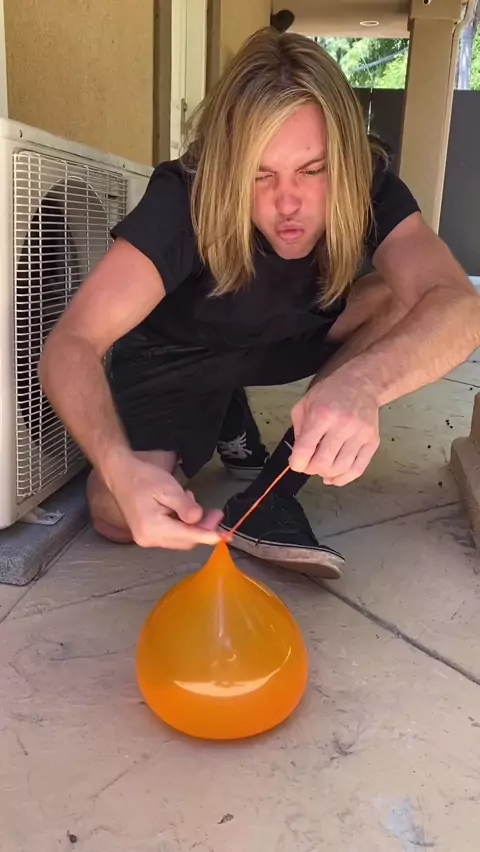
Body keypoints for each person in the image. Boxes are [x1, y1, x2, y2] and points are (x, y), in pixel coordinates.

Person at [39, 28, 480, 580]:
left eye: (312, 170)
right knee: (115, 515)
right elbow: (72, 342)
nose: (287, 202)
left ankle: (271, 496)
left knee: (400, 295)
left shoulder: (370, 187)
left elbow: (459, 305)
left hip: (285, 338)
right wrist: (117, 467)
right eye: (259, 174)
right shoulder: (183, 196)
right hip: (178, 353)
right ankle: (224, 409)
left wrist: (364, 384)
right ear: (227, 167)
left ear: (345, 161)